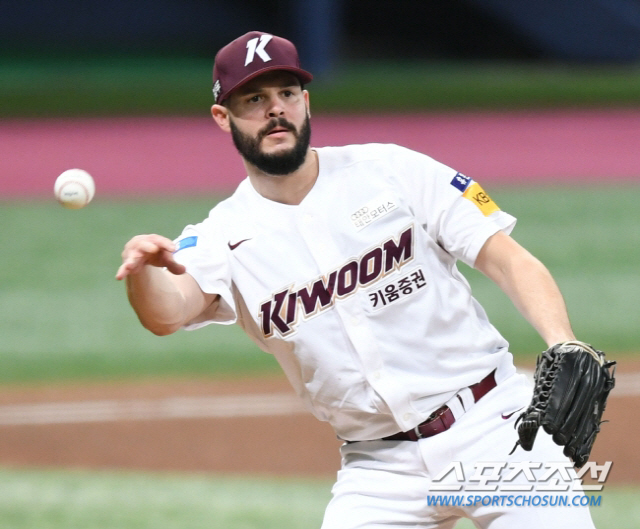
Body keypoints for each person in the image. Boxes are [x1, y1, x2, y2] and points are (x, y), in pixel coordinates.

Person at [116, 31, 597, 528]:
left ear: (306, 103)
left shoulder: (390, 168)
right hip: (379, 469)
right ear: (224, 117)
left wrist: (562, 341)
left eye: (286, 94)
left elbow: (507, 259)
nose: (275, 109)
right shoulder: (221, 235)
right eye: (254, 99)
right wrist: (143, 273)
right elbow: (166, 313)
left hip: (494, 429)